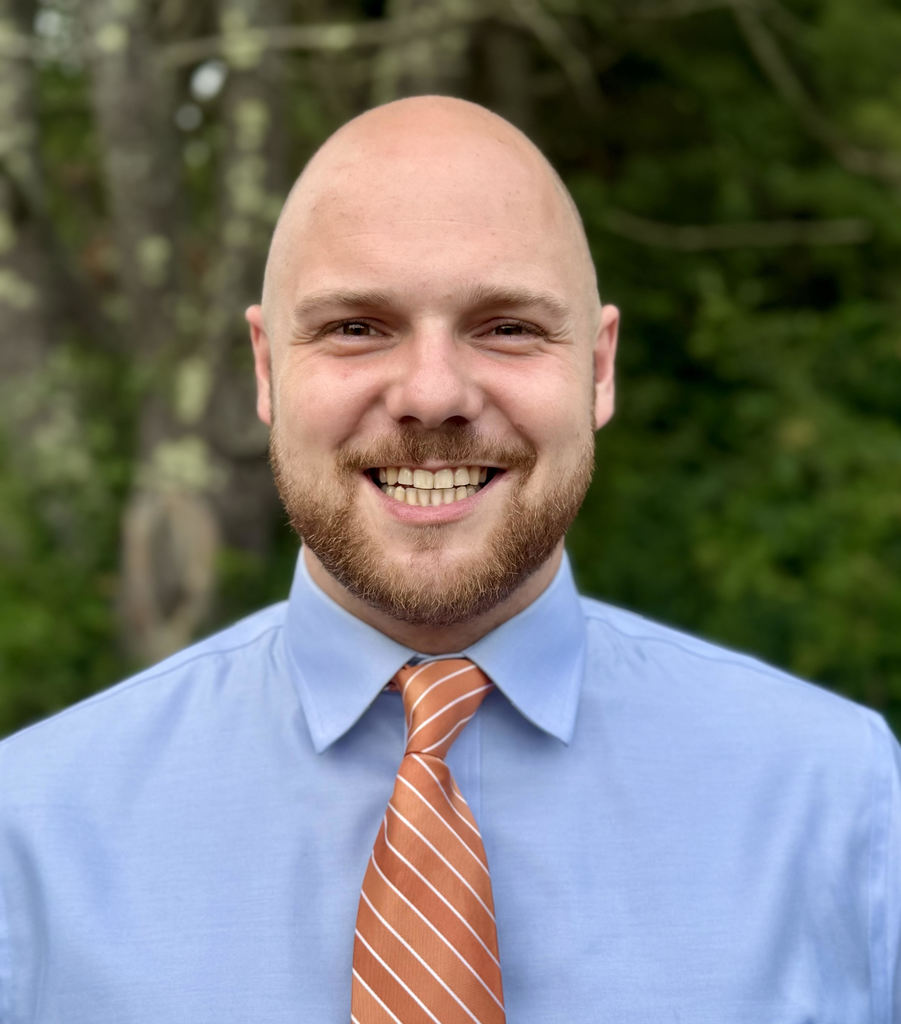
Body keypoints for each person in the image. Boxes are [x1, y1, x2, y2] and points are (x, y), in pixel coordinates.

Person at [0, 96, 898, 1024]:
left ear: (598, 370)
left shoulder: (843, 805)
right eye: (356, 326)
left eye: (506, 326)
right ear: (267, 370)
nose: (432, 395)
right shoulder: (27, 835)